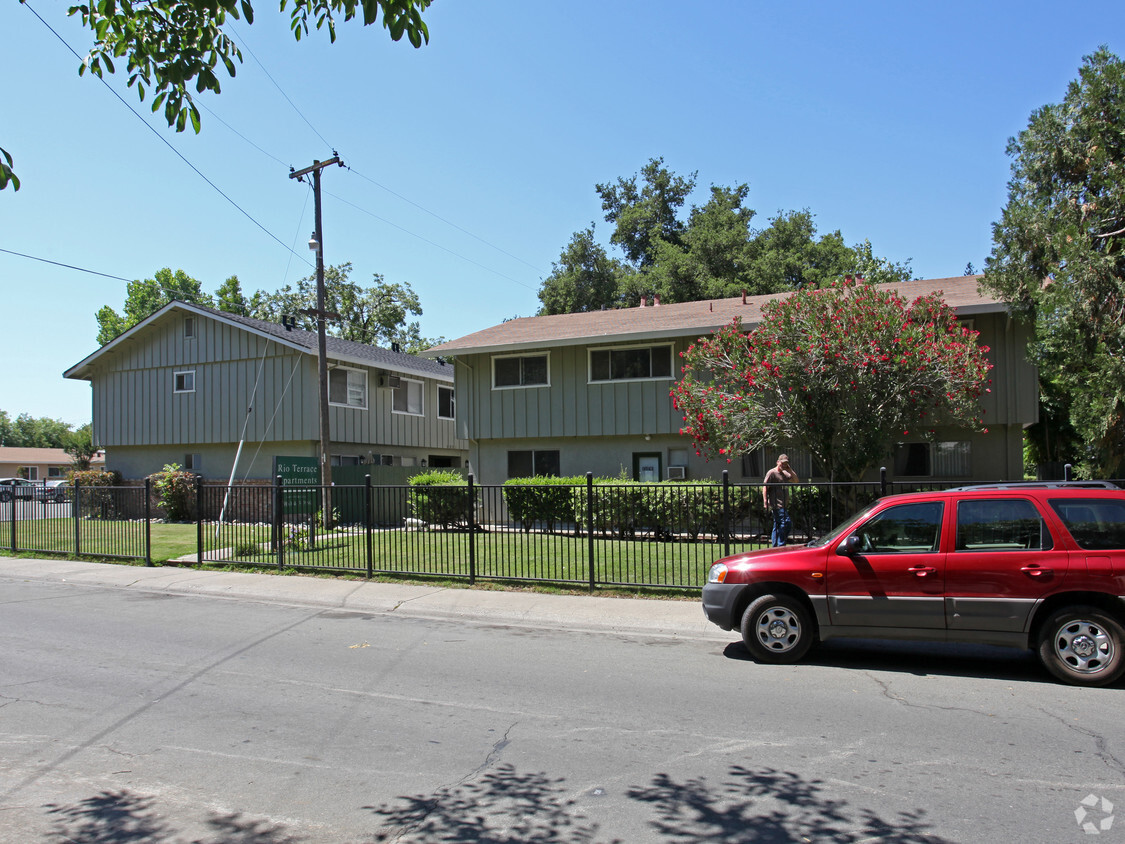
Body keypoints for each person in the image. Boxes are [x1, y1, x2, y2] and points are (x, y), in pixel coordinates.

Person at [763, 454, 798, 547]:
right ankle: (781, 544)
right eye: (782, 463)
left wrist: (789, 470)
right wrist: (765, 501)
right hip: (776, 504)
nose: (784, 465)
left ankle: (775, 547)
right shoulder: (772, 473)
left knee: (777, 525)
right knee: (786, 523)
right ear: (778, 462)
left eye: (786, 463)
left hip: (784, 504)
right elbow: (765, 487)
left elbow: (796, 480)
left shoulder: (785, 474)